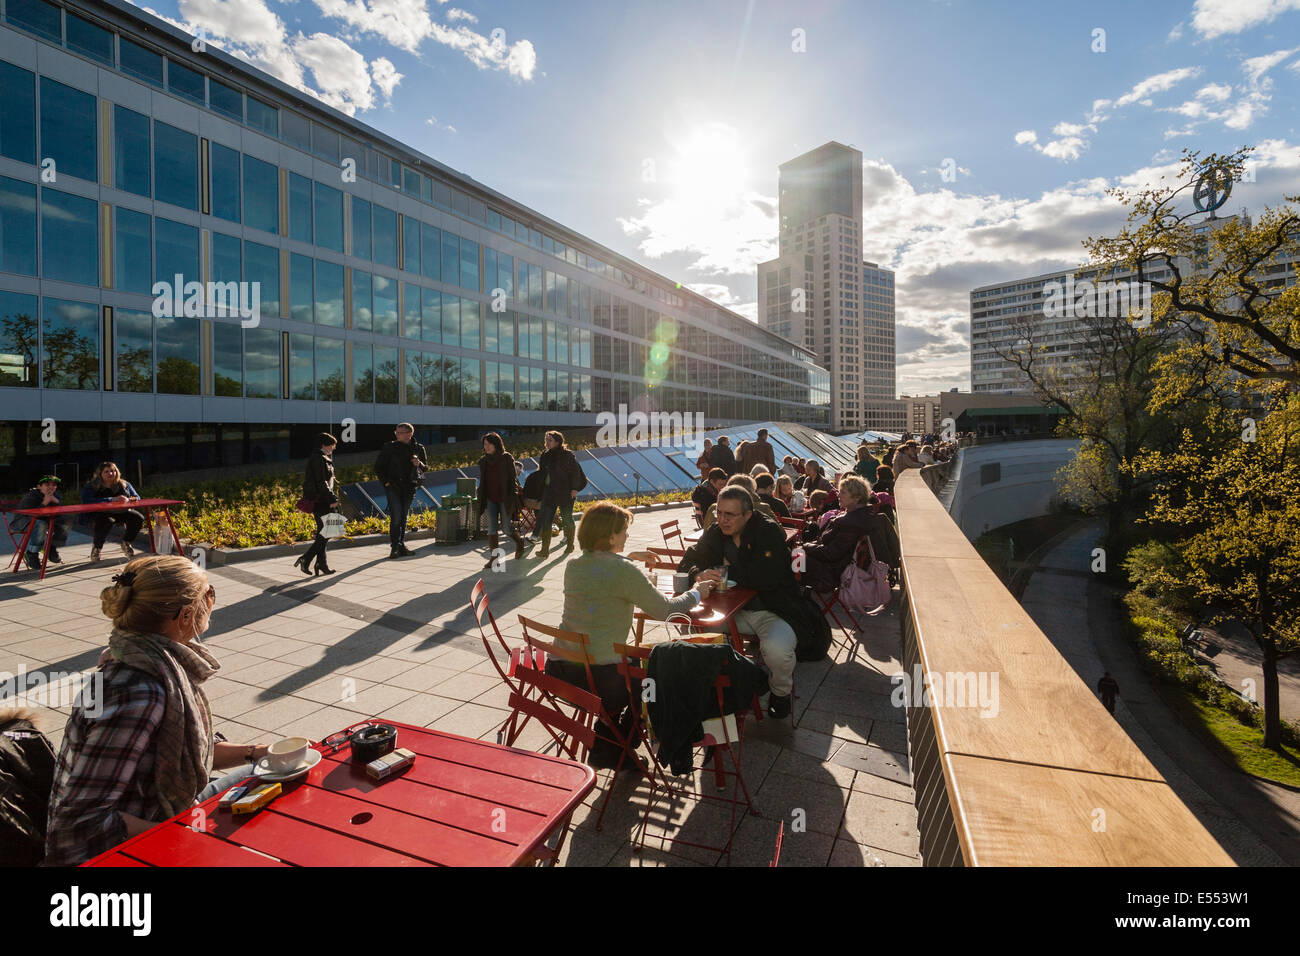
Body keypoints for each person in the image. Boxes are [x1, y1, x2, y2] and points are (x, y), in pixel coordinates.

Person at [44, 556, 272, 866]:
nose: (212, 603)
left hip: (158, 810)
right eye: (209, 594)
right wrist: (185, 838)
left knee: (273, 773)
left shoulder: (142, 659)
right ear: (185, 615)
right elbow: (82, 823)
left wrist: (260, 752)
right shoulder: (139, 693)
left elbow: (180, 752)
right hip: (121, 850)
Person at [547, 502, 713, 770]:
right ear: (611, 535)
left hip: (560, 670)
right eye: (624, 531)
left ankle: (611, 744)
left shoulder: (574, 565)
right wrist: (696, 592)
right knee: (658, 677)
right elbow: (666, 611)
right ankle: (619, 744)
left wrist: (627, 557)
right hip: (601, 679)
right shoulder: (625, 572)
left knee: (641, 670)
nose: (627, 536)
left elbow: (602, 572)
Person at [678, 488, 823, 719]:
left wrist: (721, 569)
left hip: (773, 610)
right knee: (695, 635)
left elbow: (767, 576)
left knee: (777, 651)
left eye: (730, 515)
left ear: (748, 515)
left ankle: (779, 692)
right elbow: (687, 563)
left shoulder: (768, 532)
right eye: (719, 513)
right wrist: (698, 574)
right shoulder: (716, 531)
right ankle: (746, 680)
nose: (722, 520)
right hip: (727, 611)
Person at [800, 476, 900, 593]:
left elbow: (831, 553)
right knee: (792, 558)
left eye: (842, 492)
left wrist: (805, 546)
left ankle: (796, 595)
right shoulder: (866, 516)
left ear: (856, 498)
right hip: (844, 568)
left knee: (791, 559)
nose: (838, 494)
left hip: (832, 573)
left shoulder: (850, 522)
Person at [375, 423, 428, 558]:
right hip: (393, 487)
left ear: (409, 434)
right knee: (396, 517)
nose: (397, 435)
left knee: (403, 517)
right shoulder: (389, 447)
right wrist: (386, 482)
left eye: (400, 432)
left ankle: (401, 545)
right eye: (396, 432)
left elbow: (425, 467)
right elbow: (378, 467)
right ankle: (394, 547)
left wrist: (419, 464)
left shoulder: (418, 448)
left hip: (409, 487)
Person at [477, 432, 528, 564]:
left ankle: (519, 542)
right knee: (492, 528)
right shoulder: (483, 461)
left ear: (496, 444)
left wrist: (513, 496)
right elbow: (483, 480)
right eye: (485, 444)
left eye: (489, 444)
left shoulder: (506, 458)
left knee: (506, 528)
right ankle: (494, 558)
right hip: (490, 498)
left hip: (505, 498)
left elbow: (513, 479)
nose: (486, 447)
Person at [535, 430, 587, 558]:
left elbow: (576, 472)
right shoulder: (545, 455)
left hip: (565, 492)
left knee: (567, 518)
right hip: (549, 492)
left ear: (558, 442)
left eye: (550, 440)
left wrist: (575, 489)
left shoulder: (567, 455)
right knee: (546, 520)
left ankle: (570, 544)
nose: (547, 443)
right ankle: (544, 550)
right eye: (546, 440)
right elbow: (542, 473)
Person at [293, 433, 340, 576]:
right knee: (328, 530)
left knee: (324, 532)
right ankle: (306, 559)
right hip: (321, 500)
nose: (334, 447)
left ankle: (321, 563)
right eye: (332, 444)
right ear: (324, 445)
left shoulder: (321, 458)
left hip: (322, 499)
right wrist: (332, 499)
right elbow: (322, 482)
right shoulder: (319, 459)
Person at [81, 462, 144, 563]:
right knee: (106, 521)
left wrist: (128, 499)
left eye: (113, 471)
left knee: (138, 518)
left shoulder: (124, 484)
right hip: (102, 513)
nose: (111, 473)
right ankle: (97, 548)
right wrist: (111, 499)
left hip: (122, 512)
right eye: (107, 471)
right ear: (100, 474)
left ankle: (126, 542)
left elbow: (137, 497)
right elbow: (88, 500)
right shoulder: (92, 486)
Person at [12, 474, 71, 571]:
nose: (51, 487)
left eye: (54, 485)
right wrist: (45, 502)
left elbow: (60, 513)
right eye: (48, 485)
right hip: (24, 521)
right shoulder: (31, 496)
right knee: (41, 524)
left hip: (45, 520)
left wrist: (57, 502)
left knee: (65, 521)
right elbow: (32, 515)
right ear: (39, 486)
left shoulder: (56, 495)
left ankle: (52, 548)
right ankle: (32, 554)